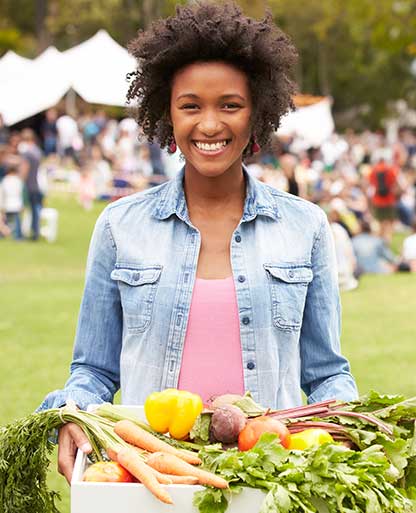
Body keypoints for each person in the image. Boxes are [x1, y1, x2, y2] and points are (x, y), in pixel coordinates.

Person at [38, 3, 357, 484]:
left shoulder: (306, 226)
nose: (209, 125)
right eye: (191, 106)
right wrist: (73, 411)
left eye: (230, 105)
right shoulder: (119, 226)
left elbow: (326, 372)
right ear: (167, 112)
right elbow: (93, 370)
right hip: (153, 479)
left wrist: (350, 423)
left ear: (258, 113)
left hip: (270, 480)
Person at [368, 150, 399, 242]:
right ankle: (388, 239)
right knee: (389, 221)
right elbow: (394, 183)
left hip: (377, 199)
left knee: (379, 221)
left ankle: (380, 238)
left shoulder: (373, 170)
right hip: (389, 199)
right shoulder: (390, 170)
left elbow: (371, 184)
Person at [0, 161, 24, 239]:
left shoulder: (5, 180)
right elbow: (21, 193)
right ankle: (17, 235)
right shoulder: (18, 181)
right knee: (16, 221)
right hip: (16, 203)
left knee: (5, 220)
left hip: (7, 203)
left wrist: (2, 205)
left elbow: (2, 193)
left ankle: (2, 234)